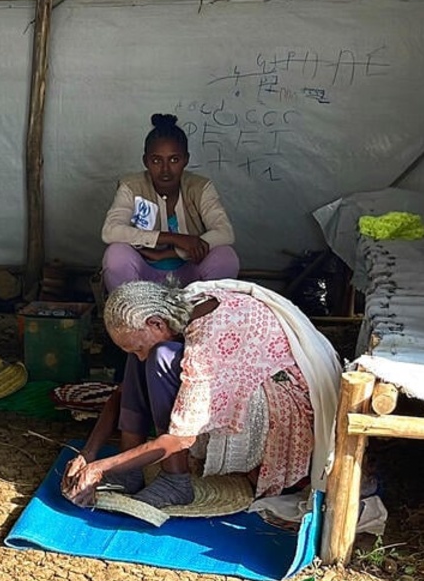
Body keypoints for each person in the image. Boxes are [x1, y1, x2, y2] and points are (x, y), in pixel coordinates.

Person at [61, 279, 340, 510]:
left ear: (157, 323)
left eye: (137, 345)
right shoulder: (176, 308)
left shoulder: (209, 338)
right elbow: (123, 392)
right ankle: (130, 469)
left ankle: (176, 479)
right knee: (146, 357)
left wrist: (101, 468)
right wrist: (89, 453)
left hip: (283, 407)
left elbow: (180, 437)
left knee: (159, 357)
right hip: (237, 387)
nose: (139, 354)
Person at [101, 113, 239, 292]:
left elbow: (225, 233)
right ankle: (134, 314)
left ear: (186, 160)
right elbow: (110, 231)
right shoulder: (131, 187)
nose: (165, 170)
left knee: (225, 257)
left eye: (174, 160)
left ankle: (203, 315)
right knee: (116, 255)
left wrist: (172, 252)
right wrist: (174, 238)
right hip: (144, 275)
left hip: (191, 277)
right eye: (156, 160)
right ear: (146, 161)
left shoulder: (200, 187)